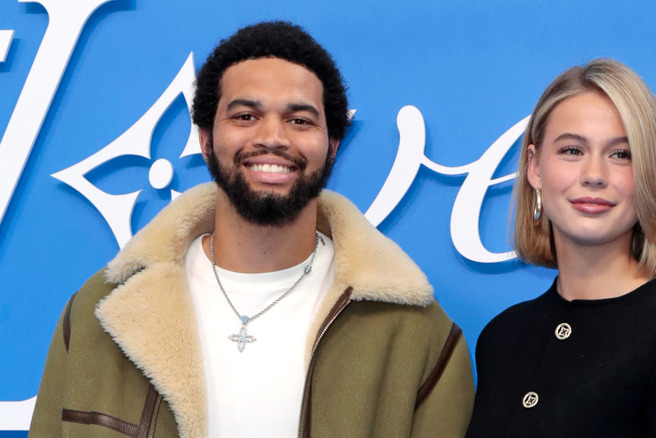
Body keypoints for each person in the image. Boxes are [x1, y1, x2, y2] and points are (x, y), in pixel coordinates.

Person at [29, 21, 474, 437]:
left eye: (300, 120)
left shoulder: (418, 335)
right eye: (245, 116)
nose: (273, 137)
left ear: (333, 146)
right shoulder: (98, 313)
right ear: (205, 140)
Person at [466, 59, 656, 437]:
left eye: (621, 154)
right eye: (572, 151)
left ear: (650, 173)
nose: (594, 175)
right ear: (534, 167)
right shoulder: (501, 338)